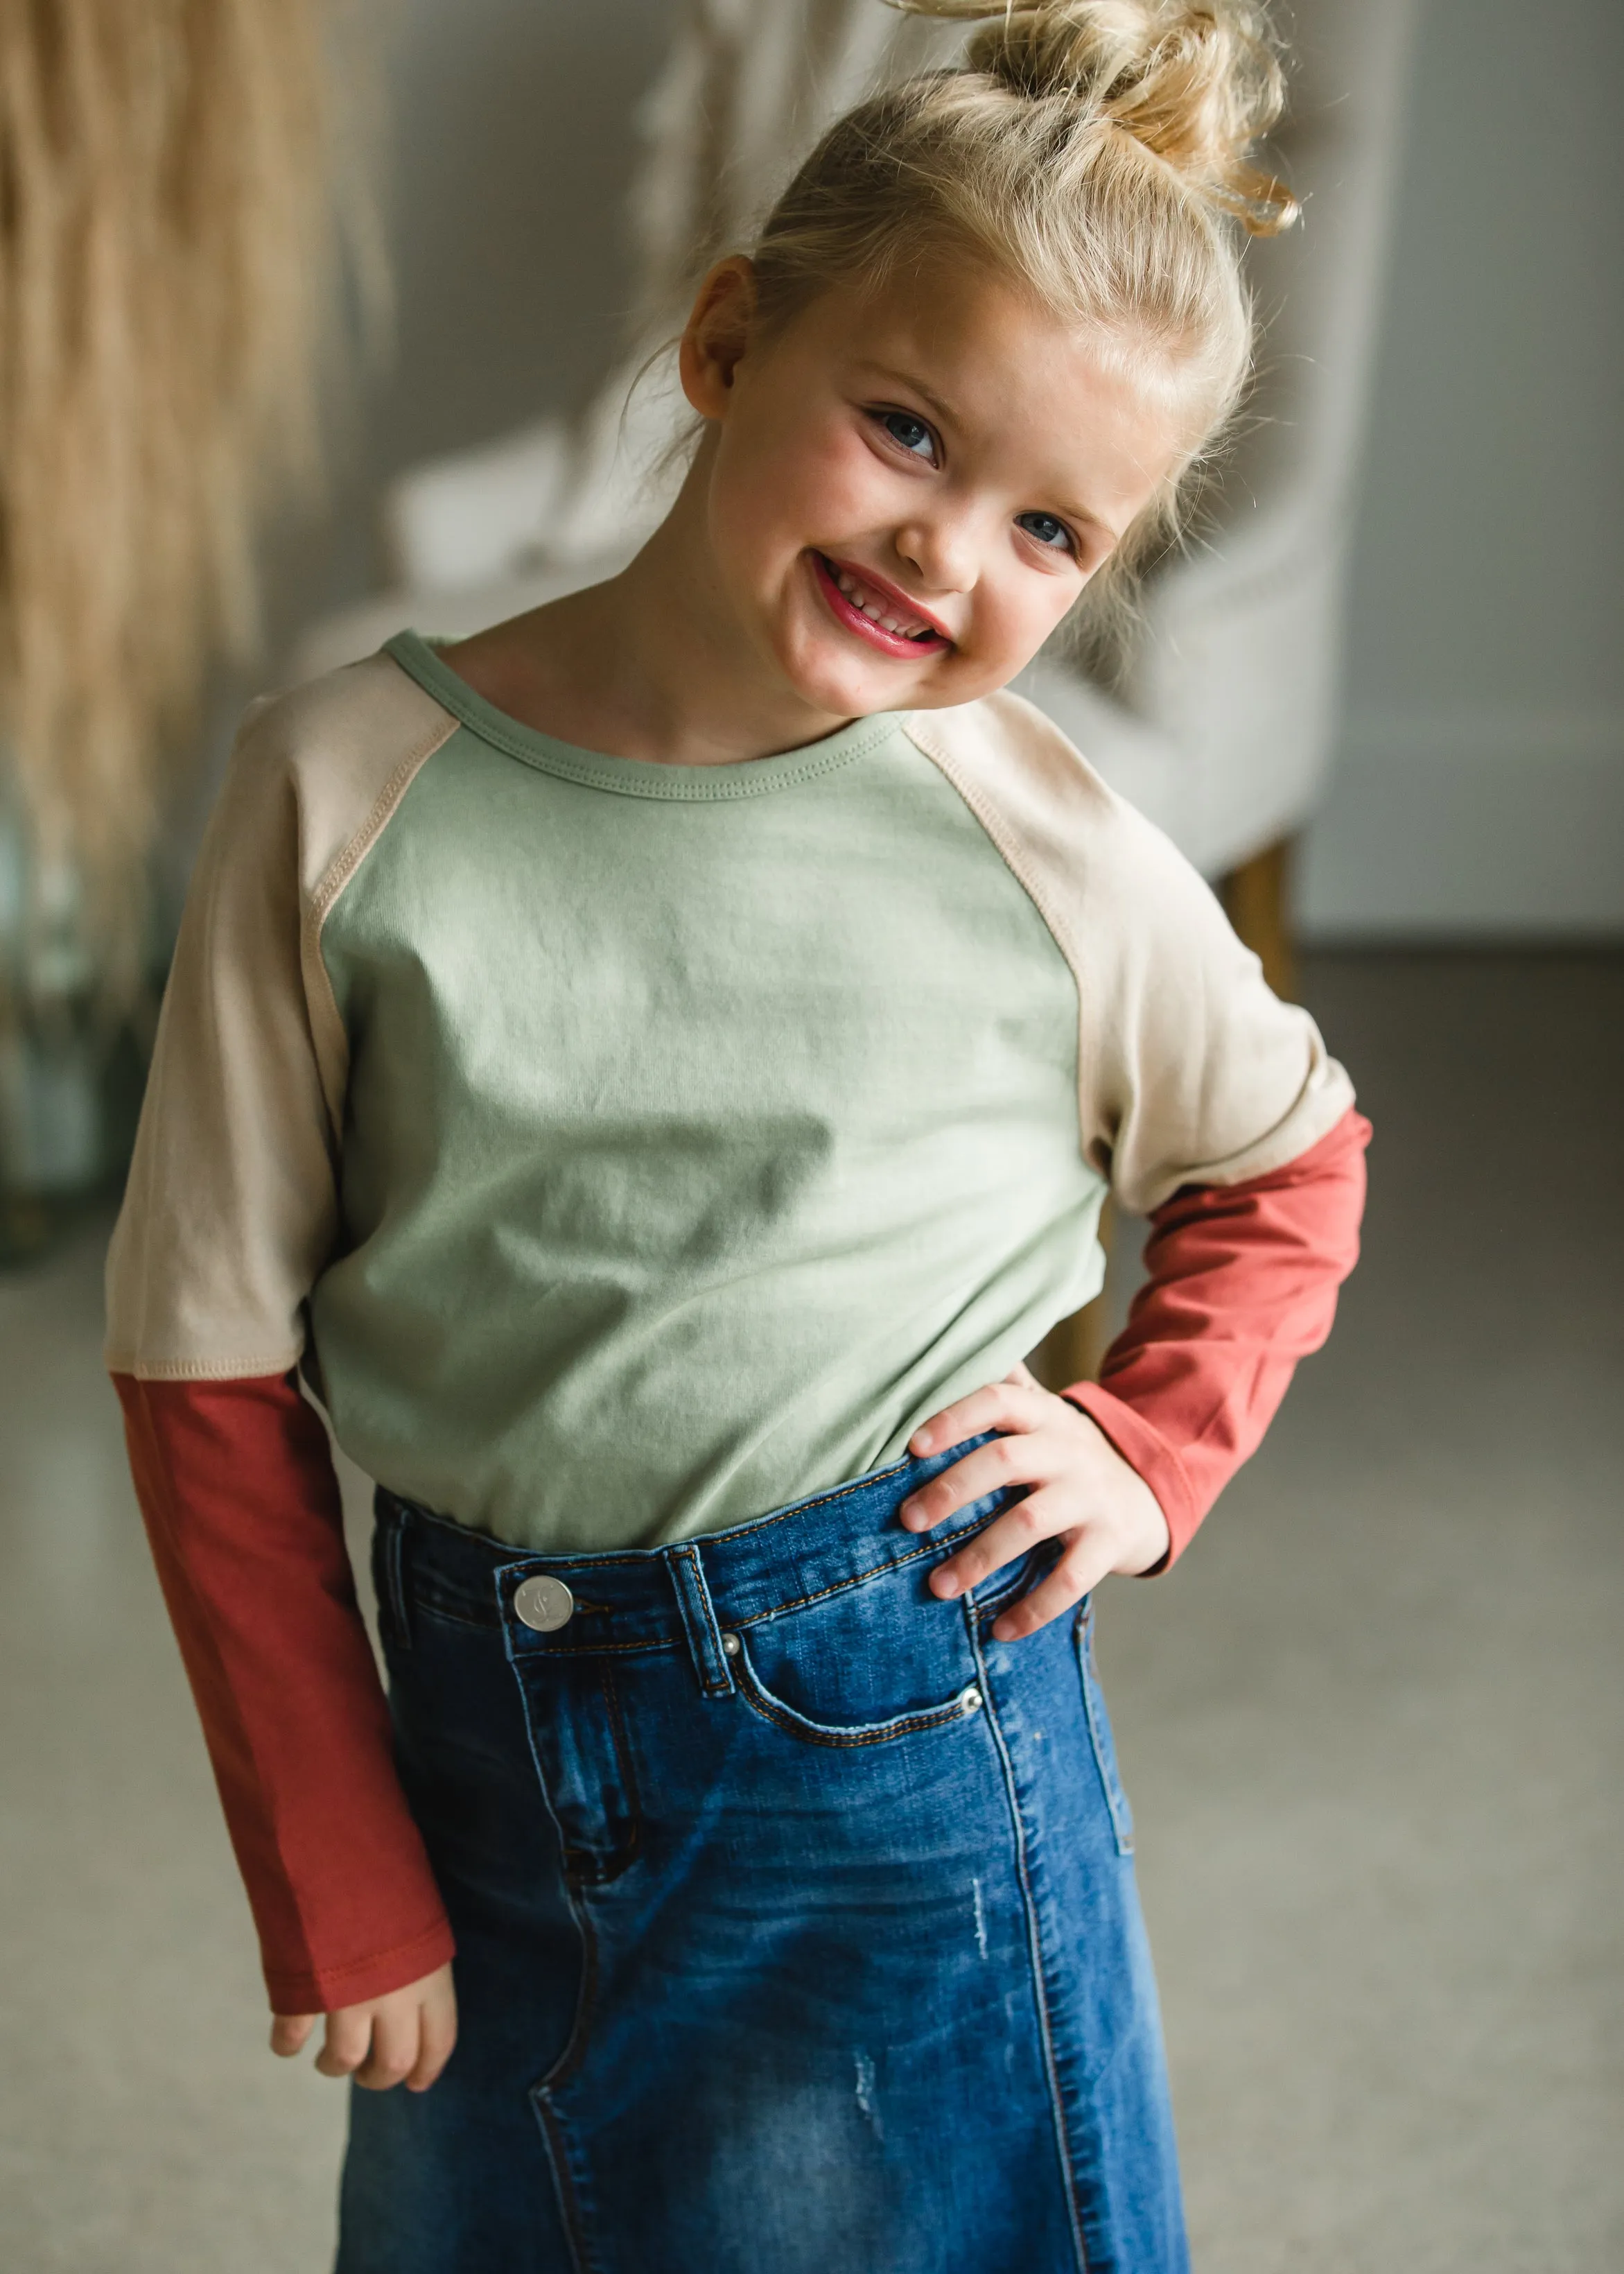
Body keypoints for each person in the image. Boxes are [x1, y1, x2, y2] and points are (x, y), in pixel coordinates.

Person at [107, 4, 1370, 2268]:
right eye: (903, 424)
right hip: (475, 1757)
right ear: (722, 344)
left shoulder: (1044, 847)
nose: (945, 547)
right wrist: (333, 1854)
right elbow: (204, 1370)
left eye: (1048, 529)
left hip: (910, 1767)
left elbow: (1287, 1164)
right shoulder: (332, 795)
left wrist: (1149, 1448)